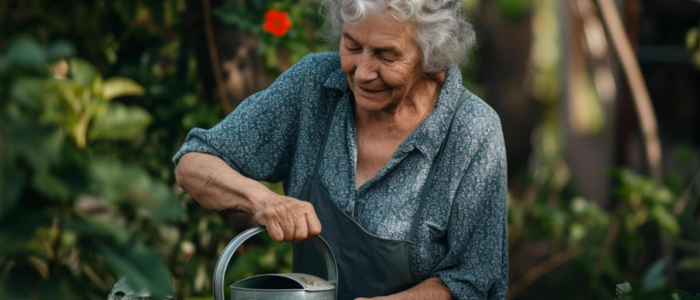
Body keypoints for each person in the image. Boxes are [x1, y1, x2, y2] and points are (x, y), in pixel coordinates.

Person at [173, 0, 508, 299]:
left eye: (386, 55)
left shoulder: (471, 131)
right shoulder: (313, 86)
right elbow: (194, 161)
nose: (362, 73)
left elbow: (473, 280)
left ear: (431, 53)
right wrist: (263, 201)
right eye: (352, 45)